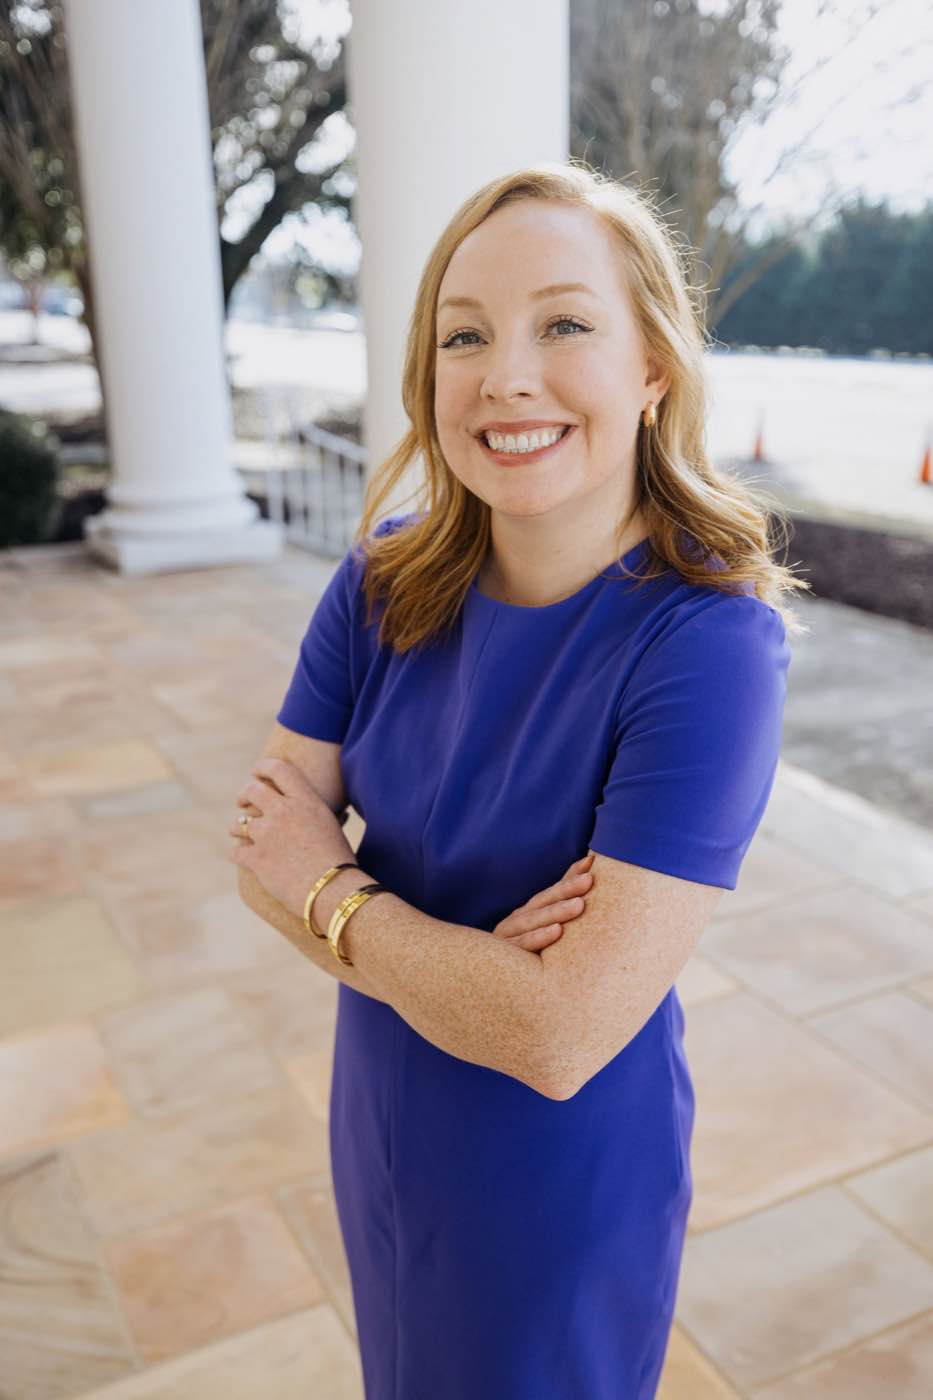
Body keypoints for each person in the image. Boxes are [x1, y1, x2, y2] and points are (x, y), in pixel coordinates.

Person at [231, 159, 810, 1400]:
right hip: (380, 1112)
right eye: (465, 335)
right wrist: (469, 971)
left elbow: (557, 1038)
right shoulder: (380, 582)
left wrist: (335, 889)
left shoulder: (709, 645)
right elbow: (259, 855)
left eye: (564, 325)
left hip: (557, 1176)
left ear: (653, 367)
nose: (505, 375)